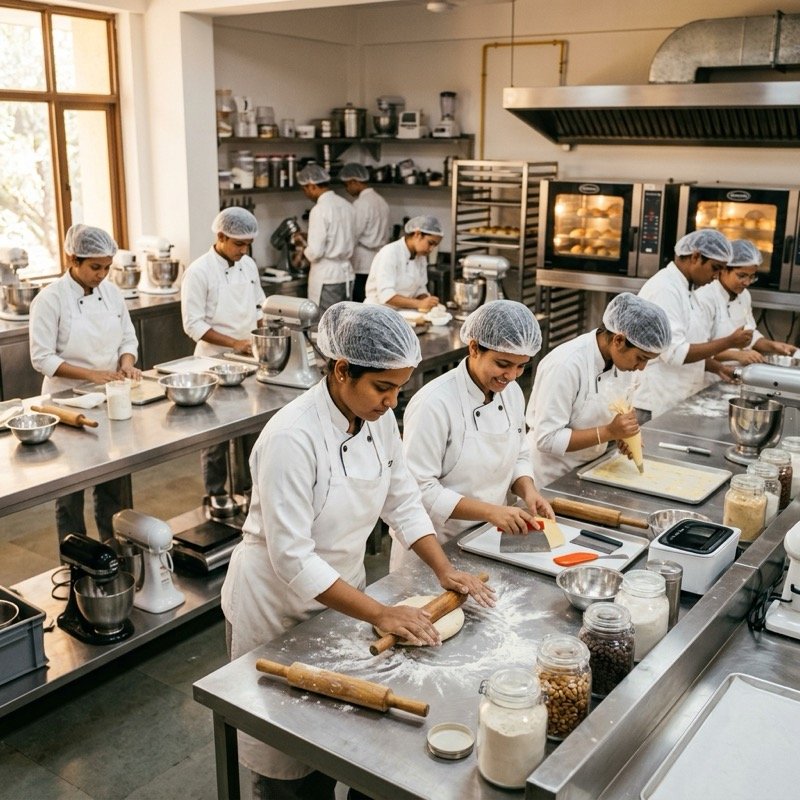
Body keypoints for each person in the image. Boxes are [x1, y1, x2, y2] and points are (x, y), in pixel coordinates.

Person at [221, 302, 494, 799]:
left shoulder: (378, 419)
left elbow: (404, 500)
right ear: (342, 370)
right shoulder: (291, 437)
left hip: (340, 598)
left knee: (332, 738)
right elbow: (293, 559)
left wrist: (444, 570)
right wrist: (381, 613)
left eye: (399, 389)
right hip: (275, 604)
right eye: (383, 387)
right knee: (284, 765)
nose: (392, 401)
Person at [391, 300, 553, 571]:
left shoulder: (510, 393)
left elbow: (519, 452)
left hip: (488, 538)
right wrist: (491, 511)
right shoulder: (434, 403)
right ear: (474, 348)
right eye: (503, 363)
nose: (512, 376)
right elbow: (417, 490)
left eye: (521, 366)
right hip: (436, 546)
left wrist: (528, 490)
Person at [29, 224, 140, 543]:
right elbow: (42, 358)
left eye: (107, 267)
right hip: (64, 406)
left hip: (109, 399)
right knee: (69, 492)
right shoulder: (49, 300)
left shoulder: (112, 293)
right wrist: (92, 375)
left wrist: (126, 362)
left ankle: (113, 553)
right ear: (72, 260)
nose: (102, 274)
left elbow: (127, 337)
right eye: (95, 267)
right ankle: (76, 562)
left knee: (113, 484)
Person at [526, 293, 672, 489]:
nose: (642, 367)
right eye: (641, 358)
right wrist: (609, 432)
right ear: (618, 341)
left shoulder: (622, 364)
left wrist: (623, 435)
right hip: (550, 480)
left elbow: (616, 408)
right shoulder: (565, 365)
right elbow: (547, 439)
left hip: (591, 470)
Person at [181, 207, 266, 514]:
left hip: (248, 359)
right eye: (239, 245)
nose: (244, 251)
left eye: (248, 245)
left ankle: (248, 492)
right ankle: (215, 495)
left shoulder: (248, 266)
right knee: (215, 437)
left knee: (249, 430)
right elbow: (194, 325)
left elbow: (259, 305)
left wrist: (262, 333)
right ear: (220, 237)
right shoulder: (200, 271)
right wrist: (234, 343)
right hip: (212, 363)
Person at [633, 230, 752, 420]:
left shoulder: (688, 289)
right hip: (655, 402)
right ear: (696, 257)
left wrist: (717, 367)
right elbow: (675, 353)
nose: (716, 276)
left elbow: (691, 343)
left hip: (676, 397)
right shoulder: (665, 289)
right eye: (715, 268)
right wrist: (729, 342)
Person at [696, 238, 797, 366]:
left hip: (736, 374)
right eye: (741, 275)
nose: (747, 282)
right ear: (723, 269)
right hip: (708, 377)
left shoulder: (744, 295)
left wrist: (774, 346)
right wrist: (737, 355)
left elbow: (749, 336)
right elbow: (697, 350)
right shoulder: (705, 298)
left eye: (752, 276)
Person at [296, 163, 356, 313]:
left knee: (325, 327)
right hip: (346, 275)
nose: (306, 194)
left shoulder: (319, 210)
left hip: (327, 278)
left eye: (305, 189)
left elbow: (315, 252)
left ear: (311, 185)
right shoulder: (347, 205)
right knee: (343, 325)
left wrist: (304, 248)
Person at [364, 215, 441, 310]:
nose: (431, 249)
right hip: (377, 313)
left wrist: (427, 300)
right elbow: (386, 295)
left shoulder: (420, 257)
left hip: (402, 313)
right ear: (417, 234)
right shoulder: (390, 252)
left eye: (435, 245)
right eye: (430, 243)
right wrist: (419, 304)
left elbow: (420, 288)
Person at [339, 163, 390, 303]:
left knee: (360, 303)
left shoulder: (361, 204)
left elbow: (353, 235)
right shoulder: (381, 201)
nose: (347, 189)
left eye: (347, 185)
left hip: (362, 262)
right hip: (378, 259)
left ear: (355, 181)